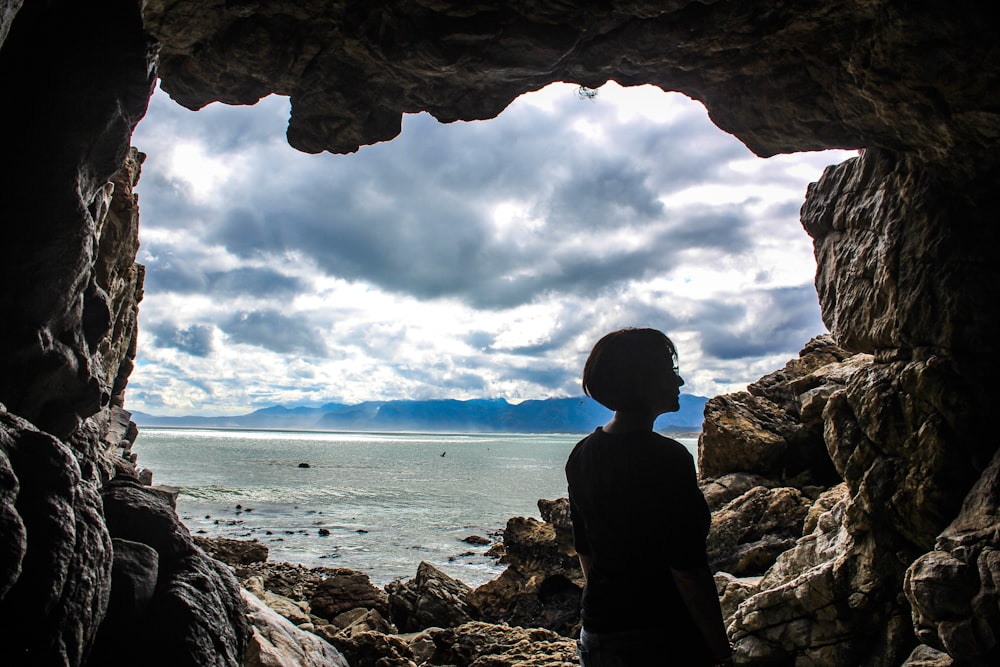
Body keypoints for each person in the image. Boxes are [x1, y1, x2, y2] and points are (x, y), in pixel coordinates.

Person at [565, 328, 734, 666]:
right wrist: (721, 654)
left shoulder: (581, 454)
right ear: (641, 380)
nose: (681, 381)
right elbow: (688, 570)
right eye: (671, 371)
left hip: (598, 634)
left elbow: (586, 551)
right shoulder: (667, 460)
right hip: (658, 639)